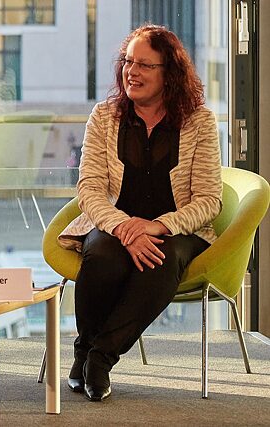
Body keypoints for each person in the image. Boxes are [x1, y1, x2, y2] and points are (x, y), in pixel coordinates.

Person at [57, 24, 221, 402]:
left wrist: (159, 225)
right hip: (115, 222)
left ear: (170, 73)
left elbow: (210, 199)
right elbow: (90, 189)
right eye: (129, 61)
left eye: (145, 65)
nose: (132, 71)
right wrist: (126, 227)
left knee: (159, 261)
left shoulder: (199, 122)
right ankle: (84, 349)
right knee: (100, 258)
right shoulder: (105, 116)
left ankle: (98, 357)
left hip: (176, 228)